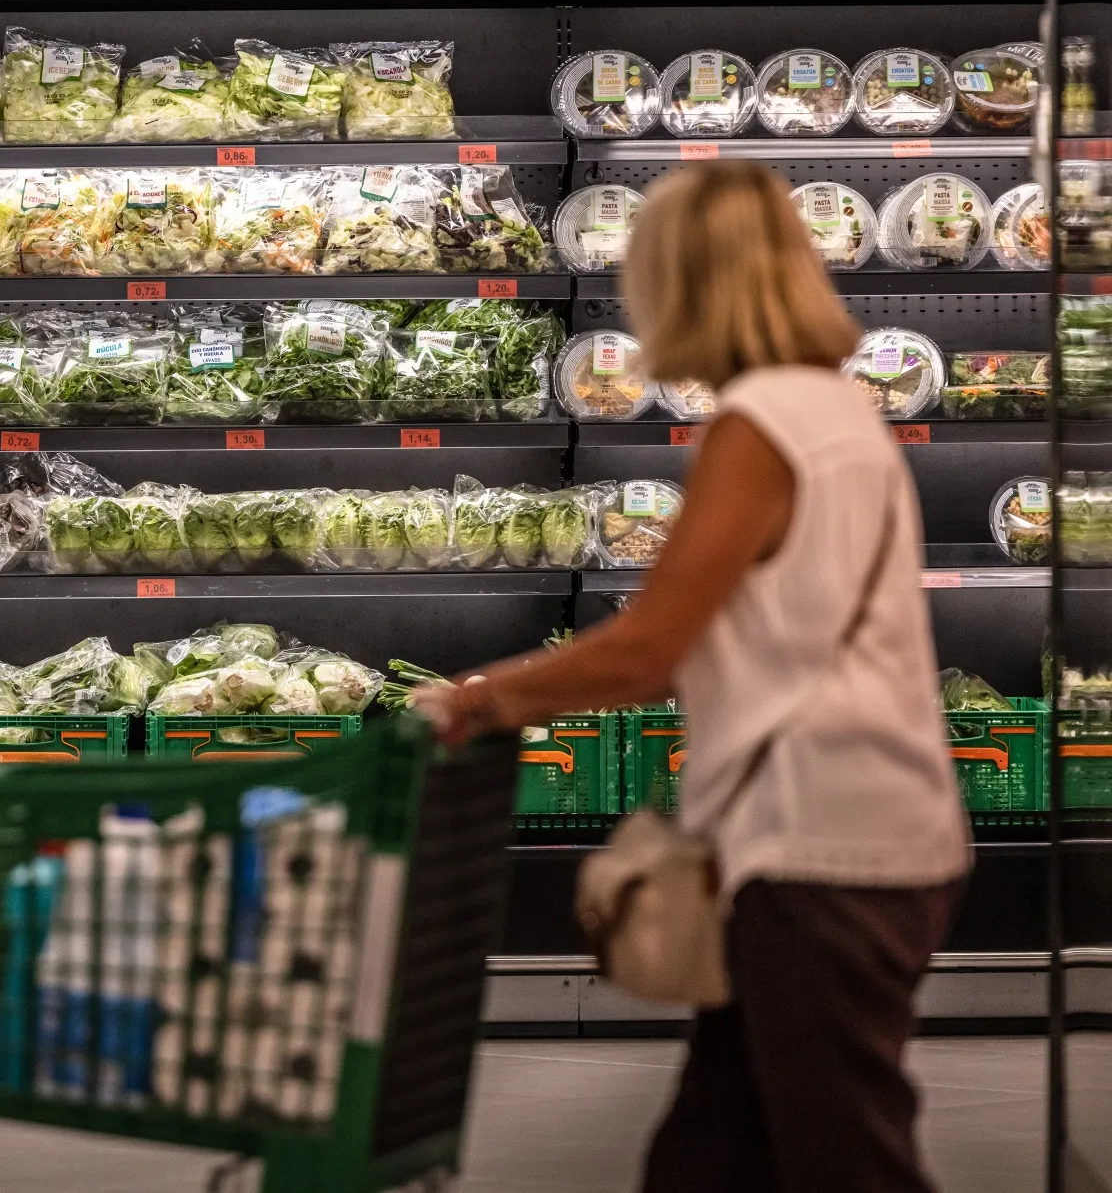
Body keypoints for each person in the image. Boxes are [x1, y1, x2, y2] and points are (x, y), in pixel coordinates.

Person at [414, 161, 971, 1193]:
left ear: (685, 283)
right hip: (846, 829)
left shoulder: (761, 428)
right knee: (713, 1154)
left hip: (823, 850)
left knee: (844, 1158)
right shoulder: (831, 411)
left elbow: (648, 646)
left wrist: (481, 699)